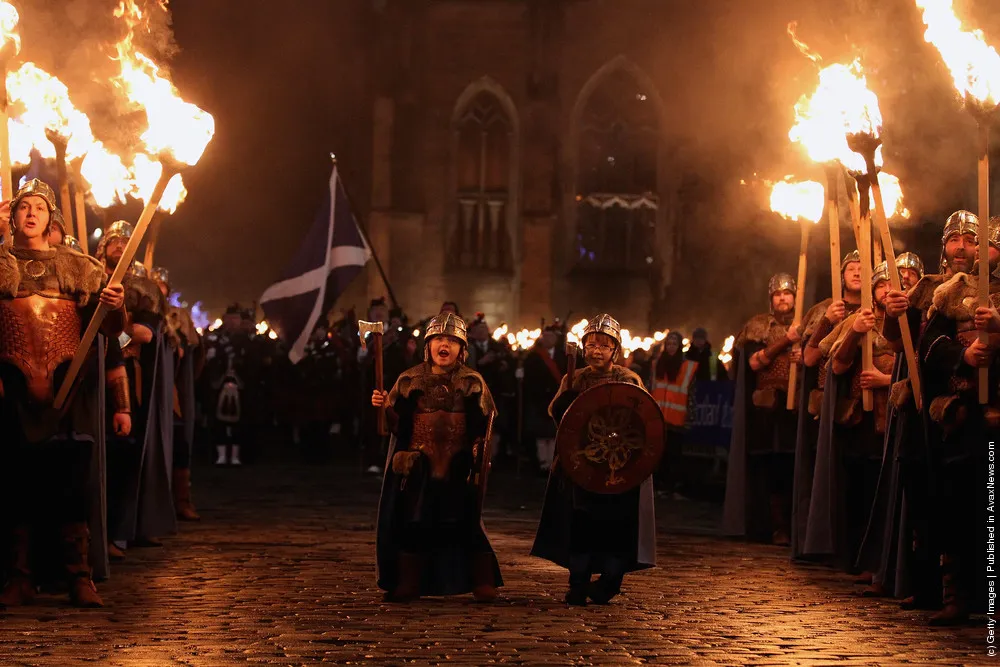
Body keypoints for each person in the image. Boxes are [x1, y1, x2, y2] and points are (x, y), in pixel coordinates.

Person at [0, 179, 126, 607]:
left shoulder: (79, 267)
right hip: (13, 390)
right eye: (23, 208)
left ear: (50, 217)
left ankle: (78, 576)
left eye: (39, 207)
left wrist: (116, 304)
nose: (31, 214)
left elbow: (110, 331)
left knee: (71, 483)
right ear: (12, 215)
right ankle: (19, 577)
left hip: (68, 389)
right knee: (16, 483)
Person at [372, 313, 502, 602]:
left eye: (452, 341)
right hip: (420, 465)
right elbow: (399, 427)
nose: (445, 345)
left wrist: (480, 452)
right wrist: (385, 408)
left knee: (466, 521)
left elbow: (482, 426)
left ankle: (482, 581)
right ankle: (409, 581)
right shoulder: (409, 380)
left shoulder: (472, 382)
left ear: (462, 348)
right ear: (428, 345)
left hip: (458, 463)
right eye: (439, 339)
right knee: (416, 521)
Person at [531, 314, 656, 605]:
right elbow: (560, 419)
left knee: (615, 527)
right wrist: (566, 403)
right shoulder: (574, 378)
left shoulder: (628, 380)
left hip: (617, 466)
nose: (596, 350)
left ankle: (609, 583)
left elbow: (643, 423)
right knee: (582, 525)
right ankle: (578, 583)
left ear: (615, 350)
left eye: (604, 345)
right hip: (584, 465)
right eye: (591, 344)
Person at [791, 251, 862, 559]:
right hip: (826, 400)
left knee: (853, 477)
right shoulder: (825, 309)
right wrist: (828, 321)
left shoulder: (878, 308)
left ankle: (850, 546)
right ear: (842, 274)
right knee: (822, 472)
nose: (857, 273)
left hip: (860, 400)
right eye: (851, 269)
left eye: (863, 268)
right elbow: (809, 358)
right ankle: (820, 542)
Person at [723, 273, 802, 545]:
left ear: (795, 297)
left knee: (791, 468)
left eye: (787, 293)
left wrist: (802, 357)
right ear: (771, 299)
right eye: (778, 294)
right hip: (765, 410)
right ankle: (769, 526)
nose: (782, 298)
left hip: (793, 410)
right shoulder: (759, 327)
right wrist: (785, 340)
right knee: (765, 469)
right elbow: (754, 364)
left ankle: (792, 528)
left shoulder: (806, 326)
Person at [152, 267, 204, 522]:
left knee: (180, 446)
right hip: (152, 393)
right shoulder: (147, 316)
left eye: (163, 287)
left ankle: (181, 501)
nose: (160, 291)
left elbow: (191, 350)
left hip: (174, 392)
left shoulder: (177, 317)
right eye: (155, 288)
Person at [650, 330, 698, 497]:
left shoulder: (687, 367)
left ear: (679, 347)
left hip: (676, 420)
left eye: (674, 344)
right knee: (658, 454)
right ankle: (658, 485)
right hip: (658, 417)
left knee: (674, 455)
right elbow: (651, 388)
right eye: (668, 344)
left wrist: (689, 417)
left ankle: (671, 486)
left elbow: (691, 395)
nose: (671, 347)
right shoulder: (656, 364)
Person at [521, 324, 567, 474]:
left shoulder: (564, 355)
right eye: (545, 337)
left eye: (551, 337)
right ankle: (543, 463)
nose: (548, 339)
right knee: (541, 434)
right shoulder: (533, 356)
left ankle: (552, 463)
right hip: (538, 398)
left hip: (557, 398)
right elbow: (529, 379)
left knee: (553, 434)